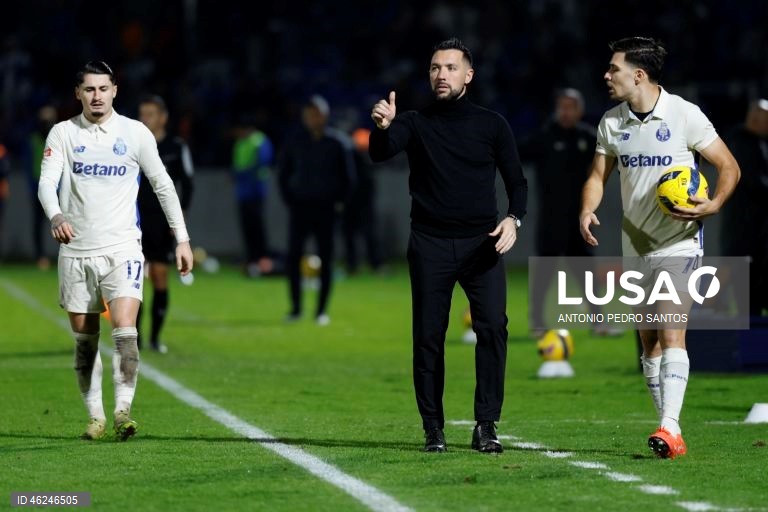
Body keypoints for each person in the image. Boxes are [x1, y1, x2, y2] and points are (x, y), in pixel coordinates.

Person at [579, 37, 740, 459]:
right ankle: (673, 430)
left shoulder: (685, 115)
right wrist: (587, 208)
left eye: (613, 68)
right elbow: (598, 175)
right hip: (634, 244)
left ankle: (668, 428)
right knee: (648, 342)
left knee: (670, 331)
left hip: (678, 244)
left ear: (639, 74)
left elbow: (728, 166)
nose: (606, 75)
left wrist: (715, 202)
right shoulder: (611, 122)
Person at [369, 38, 527, 453]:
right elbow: (380, 153)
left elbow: (518, 183)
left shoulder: (492, 124)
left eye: (451, 67)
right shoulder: (415, 122)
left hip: (483, 245)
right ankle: (433, 428)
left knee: (493, 328)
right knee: (428, 337)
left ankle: (486, 425)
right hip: (430, 244)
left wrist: (513, 219)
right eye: (436, 67)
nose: (442, 74)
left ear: (468, 75)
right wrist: (382, 127)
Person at [37, 61, 193, 441]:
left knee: (125, 331)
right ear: (78, 93)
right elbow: (46, 184)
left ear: (114, 90)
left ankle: (123, 410)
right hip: (76, 252)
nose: (96, 96)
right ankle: (95, 416)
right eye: (89, 89)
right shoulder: (62, 134)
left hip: (123, 247)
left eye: (103, 89)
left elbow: (163, 185)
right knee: (85, 338)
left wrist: (182, 237)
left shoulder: (135, 133)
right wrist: (56, 215)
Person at [519, 88, 619, 336]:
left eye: (571, 107)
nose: (566, 112)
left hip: (579, 221)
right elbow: (514, 155)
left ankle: (598, 322)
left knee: (587, 274)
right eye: (562, 106)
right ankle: (538, 322)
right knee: (543, 274)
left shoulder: (588, 138)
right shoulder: (542, 137)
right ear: (556, 109)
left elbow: (609, 161)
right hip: (550, 220)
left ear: (580, 110)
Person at [278, 95, 354, 326]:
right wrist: (290, 200)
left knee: (326, 260)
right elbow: (283, 175)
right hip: (300, 208)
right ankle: (296, 309)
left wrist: (340, 204)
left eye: (317, 113)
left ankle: (321, 311)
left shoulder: (338, 143)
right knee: (294, 259)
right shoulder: (295, 141)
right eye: (309, 113)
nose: (313, 118)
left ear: (325, 115)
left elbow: (350, 179)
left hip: (326, 209)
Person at [136, 94, 194, 353]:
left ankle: (155, 338)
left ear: (163, 117)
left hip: (161, 221)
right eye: (142, 113)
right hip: (133, 219)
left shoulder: (175, 146)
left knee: (159, 275)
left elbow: (188, 183)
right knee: (133, 279)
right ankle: (132, 338)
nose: (145, 119)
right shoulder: (132, 144)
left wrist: (179, 216)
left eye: (150, 114)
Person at [720, 98, 768, 317]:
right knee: (748, 301)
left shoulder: (758, 142)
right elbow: (755, 182)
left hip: (754, 236)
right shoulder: (741, 142)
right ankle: (749, 348)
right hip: (744, 236)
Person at [232, 113, 275, 277]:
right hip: (242, 193)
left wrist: (240, 174)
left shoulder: (259, 141)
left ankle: (263, 261)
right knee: (247, 227)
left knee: (257, 227)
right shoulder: (240, 143)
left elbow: (261, 164)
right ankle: (251, 260)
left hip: (256, 191)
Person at [342, 127, 382, 274]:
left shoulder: (365, 160)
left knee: (367, 234)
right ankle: (355, 265)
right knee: (352, 235)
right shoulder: (353, 159)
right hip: (352, 202)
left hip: (361, 202)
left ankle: (372, 264)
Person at [25, 105, 57, 270]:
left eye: (49, 121)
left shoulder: (58, 139)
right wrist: (32, 186)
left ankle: (68, 255)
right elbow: (29, 164)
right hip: (38, 186)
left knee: (65, 221)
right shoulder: (34, 140)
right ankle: (40, 256)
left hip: (57, 187)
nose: (46, 124)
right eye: (44, 121)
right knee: (38, 223)